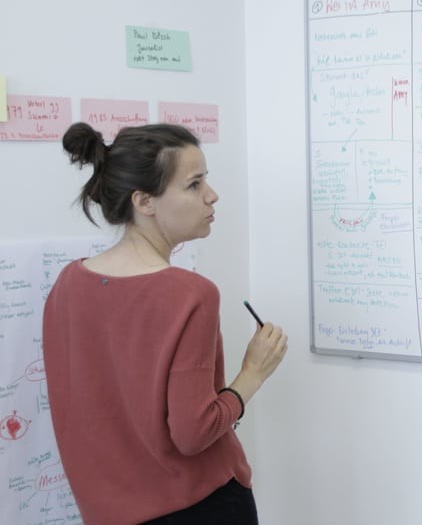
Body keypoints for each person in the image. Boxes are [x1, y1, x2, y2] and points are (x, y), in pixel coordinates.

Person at [43, 122, 288, 524]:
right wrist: (253, 373)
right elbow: (194, 433)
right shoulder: (190, 294)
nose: (212, 195)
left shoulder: (69, 284)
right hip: (199, 508)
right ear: (144, 201)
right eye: (194, 185)